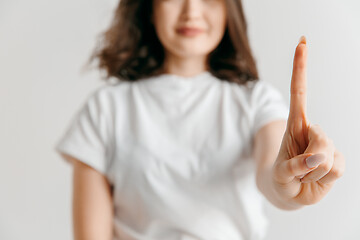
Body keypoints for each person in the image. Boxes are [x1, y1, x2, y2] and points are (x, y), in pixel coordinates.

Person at [54, 0, 346, 239]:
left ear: (229, 9)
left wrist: (289, 181)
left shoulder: (255, 101)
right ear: (149, 9)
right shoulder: (105, 108)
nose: (191, 10)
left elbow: (272, 176)